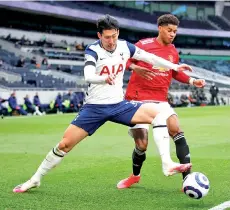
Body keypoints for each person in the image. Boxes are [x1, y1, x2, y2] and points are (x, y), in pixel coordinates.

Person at [13, 14, 192, 193]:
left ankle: (167, 163)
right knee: (64, 145)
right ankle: (35, 179)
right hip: (94, 108)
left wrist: (176, 67)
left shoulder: (125, 46)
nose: (111, 41)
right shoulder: (92, 50)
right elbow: (88, 75)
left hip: (119, 105)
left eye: (114, 36)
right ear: (99, 36)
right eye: (107, 37)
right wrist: (103, 78)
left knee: (159, 114)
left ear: (118, 33)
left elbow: (150, 58)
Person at [117, 14, 205, 189]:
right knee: (142, 145)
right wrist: (135, 67)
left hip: (160, 100)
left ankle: (186, 180)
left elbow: (175, 72)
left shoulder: (172, 50)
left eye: (175, 31)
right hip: (137, 99)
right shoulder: (143, 45)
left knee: (177, 131)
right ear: (160, 28)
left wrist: (192, 81)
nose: (172, 34)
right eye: (169, 30)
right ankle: (135, 176)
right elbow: (121, 58)